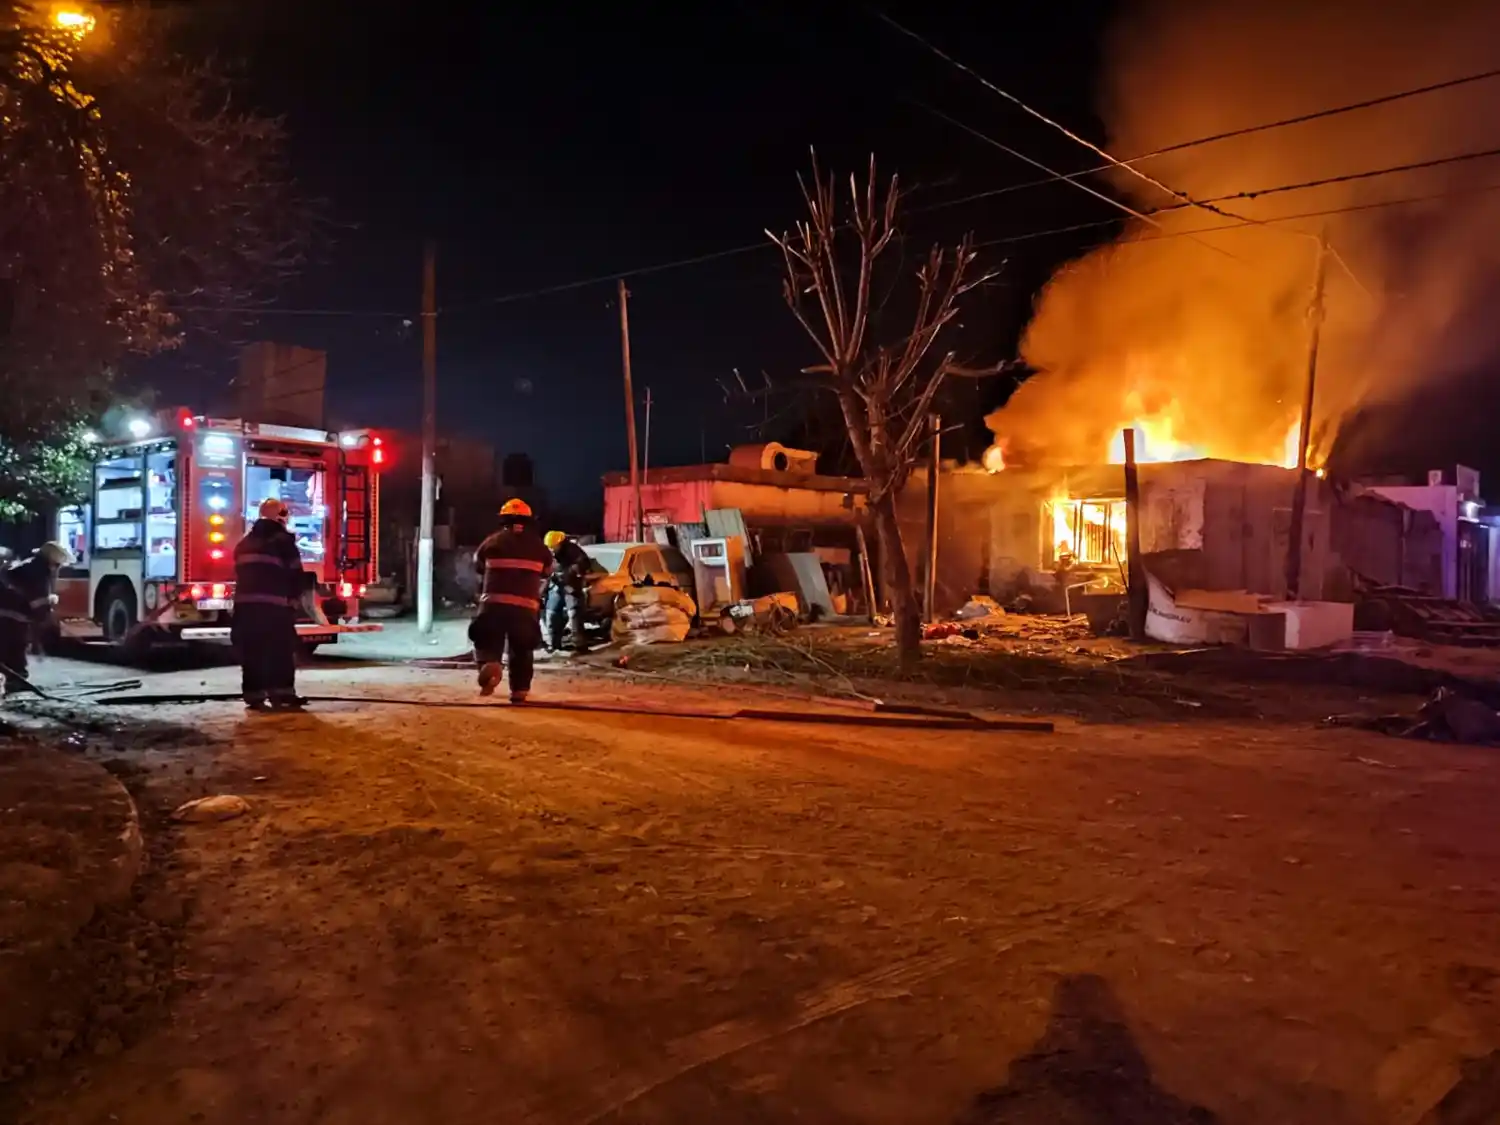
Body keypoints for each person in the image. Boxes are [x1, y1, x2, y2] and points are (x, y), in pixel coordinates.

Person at [471, 498, 553, 702]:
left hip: (493, 604)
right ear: (529, 521)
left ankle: (490, 663)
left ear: (504, 520)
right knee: (522, 648)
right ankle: (519, 690)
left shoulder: (492, 541)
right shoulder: (540, 547)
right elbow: (548, 571)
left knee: (486, 639)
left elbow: (478, 565)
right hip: (525, 608)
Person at [233, 498, 306, 711]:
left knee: (253, 650)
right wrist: (294, 599)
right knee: (280, 650)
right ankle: (282, 694)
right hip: (275, 607)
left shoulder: (244, 543)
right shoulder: (283, 541)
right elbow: (295, 573)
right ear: (281, 517)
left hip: (246, 607)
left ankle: (254, 695)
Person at [0, 542, 71, 698]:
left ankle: (13, 682)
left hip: (6, 613)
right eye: (58, 565)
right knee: (16, 650)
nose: (58, 569)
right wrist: (50, 605)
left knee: (5, 649)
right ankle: (17, 684)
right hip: (13, 616)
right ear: (53, 561)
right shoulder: (39, 571)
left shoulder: (29, 565)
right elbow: (39, 603)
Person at [543, 529, 591, 654]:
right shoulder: (548, 552)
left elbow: (584, 564)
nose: (552, 550)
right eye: (550, 548)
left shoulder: (573, 551)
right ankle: (554, 645)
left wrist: (571, 572)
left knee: (574, 615)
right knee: (552, 614)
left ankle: (580, 646)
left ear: (560, 544)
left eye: (554, 547)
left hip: (571, 586)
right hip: (556, 586)